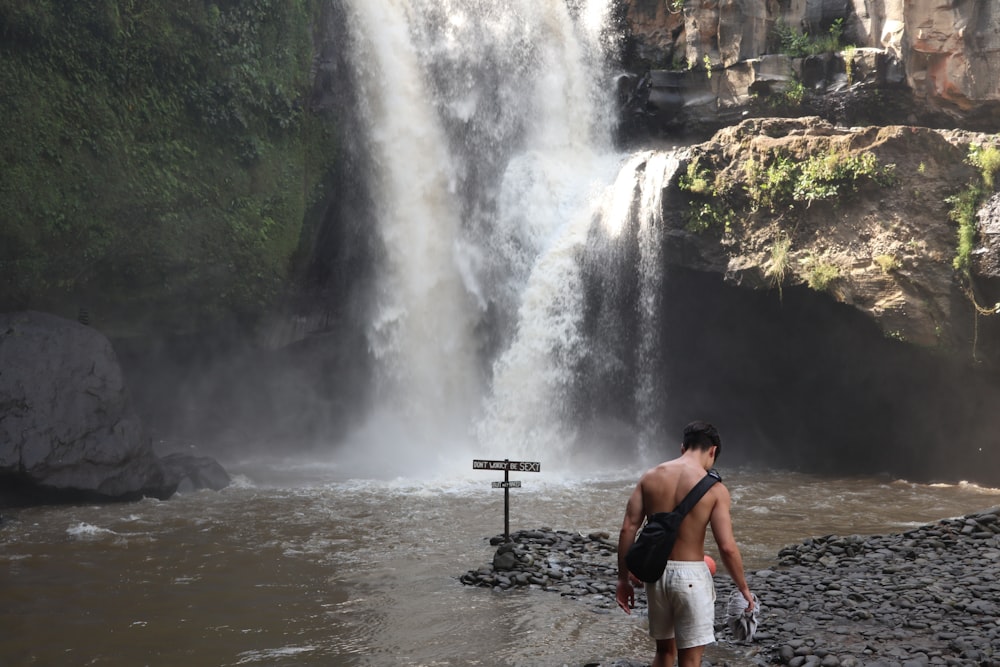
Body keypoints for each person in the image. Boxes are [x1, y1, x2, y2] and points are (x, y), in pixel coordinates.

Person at [616, 421, 754, 667]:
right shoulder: (715, 489)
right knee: (690, 659)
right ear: (712, 451)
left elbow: (628, 528)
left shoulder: (650, 477)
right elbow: (727, 547)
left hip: (655, 576)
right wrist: (743, 588)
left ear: (683, 448)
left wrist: (623, 580)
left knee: (664, 652)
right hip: (691, 577)